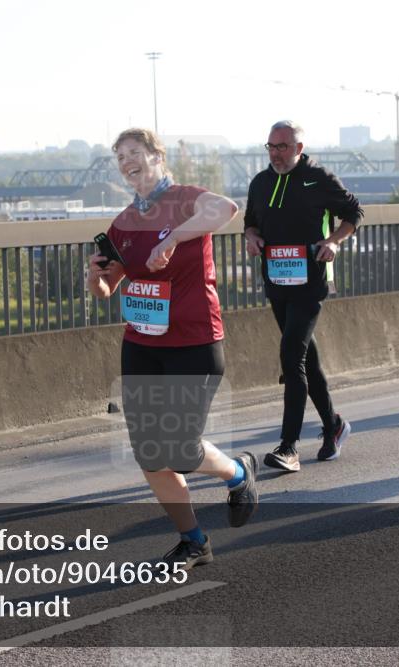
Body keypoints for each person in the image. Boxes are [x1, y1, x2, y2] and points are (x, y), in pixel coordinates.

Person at [86, 128, 258, 570]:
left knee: (180, 449)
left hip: (194, 341)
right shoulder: (123, 221)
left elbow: (227, 208)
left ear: (157, 156)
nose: (128, 161)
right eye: (120, 156)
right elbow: (110, 286)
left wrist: (172, 238)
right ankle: (194, 540)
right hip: (141, 344)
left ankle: (239, 473)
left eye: (135, 152)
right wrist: (96, 277)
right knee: (149, 452)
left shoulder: (186, 198)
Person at [244, 120, 364, 472]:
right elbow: (250, 222)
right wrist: (250, 237)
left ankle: (289, 447)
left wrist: (332, 242)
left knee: (290, 356)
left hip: (310, 282)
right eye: (270, 146)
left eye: (282, 147)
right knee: (305, 360)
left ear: (298, 147)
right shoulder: (261, 182)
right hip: (276, 282)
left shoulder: (319, 178)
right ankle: (334, 425)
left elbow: (354, 213)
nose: (275, 153)